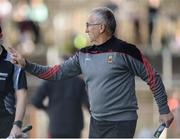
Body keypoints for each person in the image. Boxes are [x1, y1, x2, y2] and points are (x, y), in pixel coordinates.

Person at [10, 7, 174, 138]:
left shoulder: (127, 51)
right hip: (97, 122)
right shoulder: (83, 54)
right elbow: (55, 73)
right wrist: (27, 65)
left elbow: (153, 77)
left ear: (101, 27)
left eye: (89, 25)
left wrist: (164, 110)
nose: (86, 29)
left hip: (121, 122)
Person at [0, 26, 28, 138]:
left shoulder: (13, 61)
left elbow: (22, 95)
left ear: (1, 36)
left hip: (6, 125)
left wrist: (17, 125)